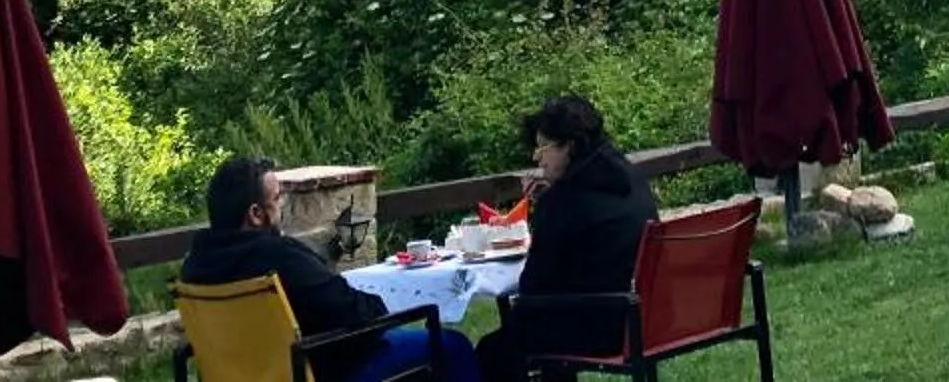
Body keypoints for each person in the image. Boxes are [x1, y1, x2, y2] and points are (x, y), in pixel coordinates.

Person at [181, 154, 475, 382]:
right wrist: (378, 307)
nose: (282, 208)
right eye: (276, 199)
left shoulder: (194, 269)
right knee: (452, 345)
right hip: (323, 370)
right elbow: (352, 312)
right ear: (256, 214)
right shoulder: (277, 257)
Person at [477, 96, 659, 381]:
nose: (537, 158)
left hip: (600, 324)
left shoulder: (563, 201)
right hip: (643, 317)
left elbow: (533, 287)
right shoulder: (631, 179)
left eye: (543, 147)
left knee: (494, 348)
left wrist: (546, 211)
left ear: (569, 146)